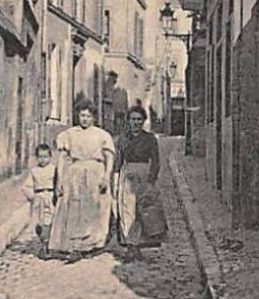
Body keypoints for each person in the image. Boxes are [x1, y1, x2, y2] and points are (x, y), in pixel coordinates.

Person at [49, 99, 115, 263]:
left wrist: (107, 176)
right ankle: (74, 245)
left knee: (94, 207)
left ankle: (93, 243)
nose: (85, 119)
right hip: (75, 174)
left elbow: (109, 156)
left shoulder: (101, 135)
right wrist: (60, 180)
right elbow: (63, 158)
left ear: (93, 117)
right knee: (74, 208)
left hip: (95, 173)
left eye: (88, 116)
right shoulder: (69, 134)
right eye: (82, 115)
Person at [113, 105, 166, 260]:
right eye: (132, 119)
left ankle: (140, 244)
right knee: (127, 210)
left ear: (143, 121)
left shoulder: (150, 139)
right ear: (128, 121)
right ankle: (130, 245)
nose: (136, 122)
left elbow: (156, 162)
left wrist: (151, 181)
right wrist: (116, 182)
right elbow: (118, 161)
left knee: (143, 210)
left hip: (144, 174)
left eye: (139, 119)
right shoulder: (122, 139)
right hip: (128, 174)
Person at [23, 142, 57, 257]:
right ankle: (43, 239)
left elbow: (59, 184)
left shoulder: (54, 170)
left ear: (50, 157)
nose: (43, 160)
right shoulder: (34, 171)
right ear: (36, 157)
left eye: (45, 157)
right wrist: (32, 196)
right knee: (38, 224)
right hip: (38, 198)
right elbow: (27, 186)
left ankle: (46, 246)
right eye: (40, 157)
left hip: (50, 196)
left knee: (48, 221)